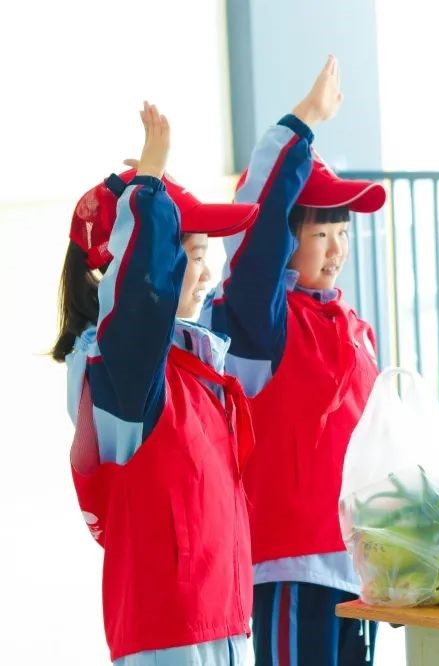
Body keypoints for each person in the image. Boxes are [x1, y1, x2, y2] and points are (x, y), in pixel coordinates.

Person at [54, 103, 260, 664]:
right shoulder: (120, 371)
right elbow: (139, 301)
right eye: (191, 255)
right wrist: (147, 194)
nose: (208, 273)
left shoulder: (187, 367)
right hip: (170, 633)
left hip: (221, 618)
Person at [201, 56, 387, 665]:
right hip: (291, 567)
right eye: (319, 233)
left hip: (356, 566)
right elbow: (253, 235)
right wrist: (305, 119)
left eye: (343, 231)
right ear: (286, 241)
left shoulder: (352, 327)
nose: (336, 248)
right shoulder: (261, 322)